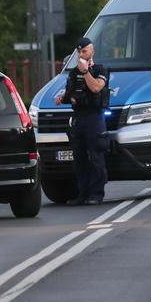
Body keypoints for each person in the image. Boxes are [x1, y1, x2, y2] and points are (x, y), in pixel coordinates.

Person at [54, 37, 110, 205]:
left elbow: (95, 88)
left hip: (95, 118)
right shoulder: (73, 72)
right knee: (79, 159)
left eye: (84, 51)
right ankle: (82, 194)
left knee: (96, 157)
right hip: (78, 119)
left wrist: (86, 71)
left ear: (92, 53)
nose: (81, 54)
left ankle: (96, 194)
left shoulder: (100, 70)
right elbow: (71, 93)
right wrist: (62, 98)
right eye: (78, 52)